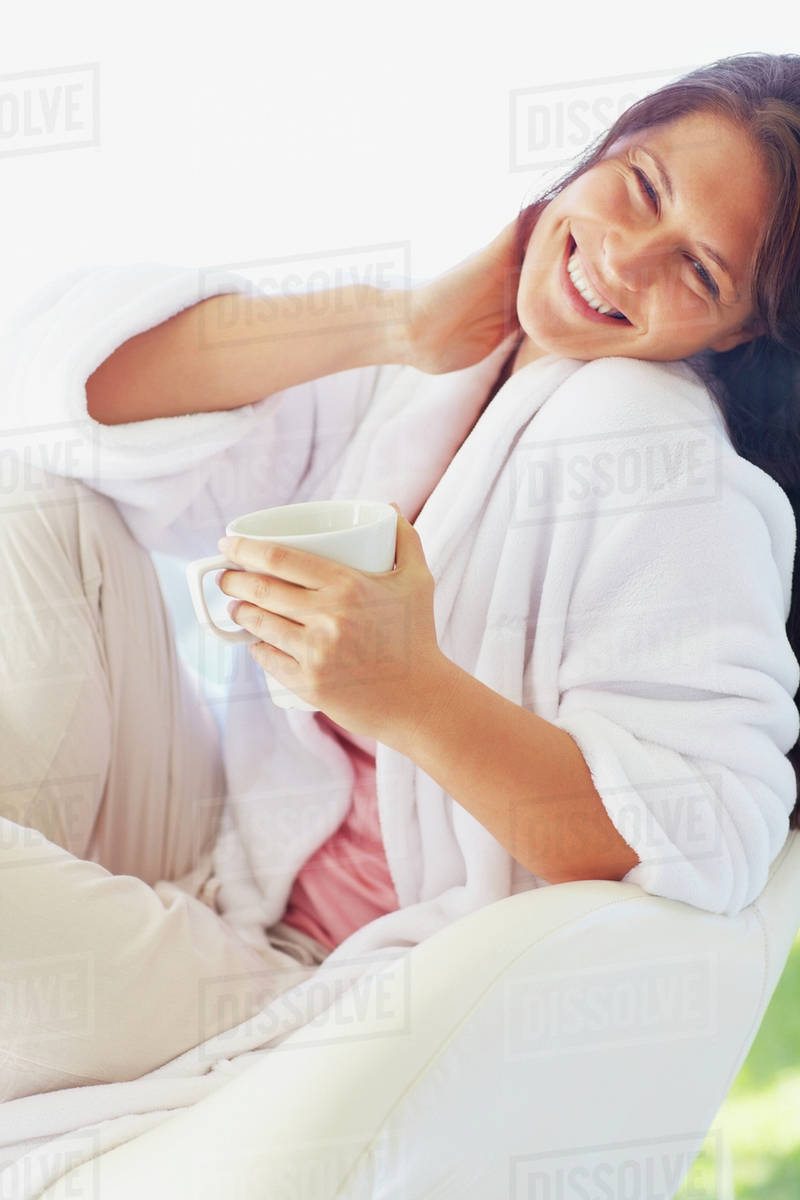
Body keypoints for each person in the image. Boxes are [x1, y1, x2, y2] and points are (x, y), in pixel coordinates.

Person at [1, 50, 799, 1105]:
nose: (622, 257)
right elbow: (74, 399)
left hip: (335, 994)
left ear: (740, 330)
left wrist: (408, 691)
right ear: (601, 147)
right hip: (212, 855)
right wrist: (400, 324)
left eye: (697, 271)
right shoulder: (454, 364)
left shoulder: (667, 470)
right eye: (640, 186)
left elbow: (708, 836)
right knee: (32, 502)